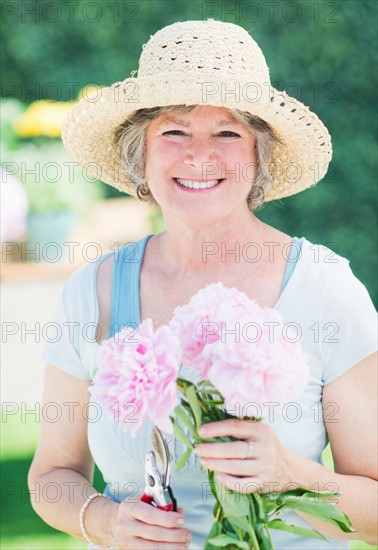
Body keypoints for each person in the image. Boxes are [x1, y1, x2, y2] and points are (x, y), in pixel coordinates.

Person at [28, 19, 377, 550]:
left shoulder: (325, 288)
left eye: (228, 132)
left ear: (258, 156)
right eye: (174, 130)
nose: (199, 153)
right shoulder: (92, 290)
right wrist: (105, 520)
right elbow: (51, 475)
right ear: (139, 152)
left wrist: (294, 475)